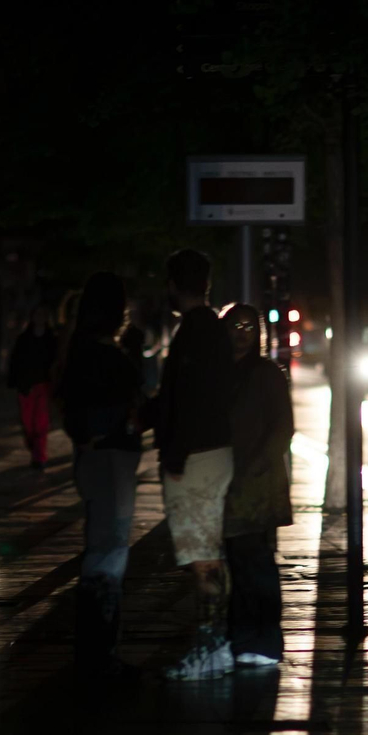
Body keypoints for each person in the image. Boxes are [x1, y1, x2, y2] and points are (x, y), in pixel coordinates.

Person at [150, 248, 237, 680]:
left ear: (172, 285)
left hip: (196, 457)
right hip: (214, 451)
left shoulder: (193, 334)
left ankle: (210, 646)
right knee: (209, 553)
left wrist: (176, 452)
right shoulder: (214, 331)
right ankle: (214, 642)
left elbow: (188, 399)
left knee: (202, 555)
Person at [59, 272, 144, 680]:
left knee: (103, 548)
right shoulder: (104, 355)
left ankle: (96, 651)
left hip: (98, 457)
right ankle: (100, 654)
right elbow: (117, 407)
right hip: (110, 457)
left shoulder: (79, 350)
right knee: (109, 551)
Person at [220, 304, 294, 667]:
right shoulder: (217, 373)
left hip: (257, 483)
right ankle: (241, 634)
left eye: (249, 326)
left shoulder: (267, 374)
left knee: (256, 560)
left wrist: (258, 466)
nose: (241, 332)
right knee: (237, 561)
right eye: (235, 325)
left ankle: (263, 638)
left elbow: (282, 428)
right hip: (227, 481)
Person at [8, 305, 57, 469]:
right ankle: (34, 448)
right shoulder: (24, 339)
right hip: (26, 385)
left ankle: (39, 456)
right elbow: (16, 361)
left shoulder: (52, 339)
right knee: (28, 422)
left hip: (44, 384)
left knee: (41, 422)